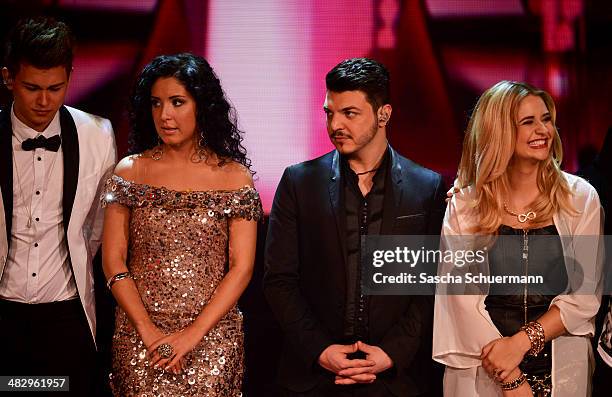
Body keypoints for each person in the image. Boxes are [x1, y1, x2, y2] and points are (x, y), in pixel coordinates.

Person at [263, 57, 446, 397]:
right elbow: (279, 280)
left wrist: (392, 352)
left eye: (349, 113)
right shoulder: (299, 182)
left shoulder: (427, 187)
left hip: (395, 379)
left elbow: (431, 285)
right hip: (315, 377)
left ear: (384, 115)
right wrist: (321, 350)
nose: (335, 125)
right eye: (329, 112)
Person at [101, 53, 262, 396]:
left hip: (212, 339)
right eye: (156, 103)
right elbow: (113, 261)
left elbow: (241, 267)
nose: (165, 115)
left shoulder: (233, 176)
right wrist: (150, 335)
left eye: (177, 102)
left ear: (202, 105)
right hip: (139, 337)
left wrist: (191, 336)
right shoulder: (130, 171)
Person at [433, 81, 602, 396]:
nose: (543, 130)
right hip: (482, 374)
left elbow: (584, 297)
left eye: (546, 119)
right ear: (499, 132)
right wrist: (510, 376)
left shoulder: (581, 198)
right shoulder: (465, 204)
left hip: (561, 373)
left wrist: (521, 343)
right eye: (528, 122)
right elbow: (460, 302)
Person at [0, 17, 116, 395]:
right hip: (3, 312)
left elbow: (98, 228)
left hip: (66, 315)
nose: (44, 101)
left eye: (56, 87)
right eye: (32, 88)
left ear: (70, 76)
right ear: (8, 78)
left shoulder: (99, 135)